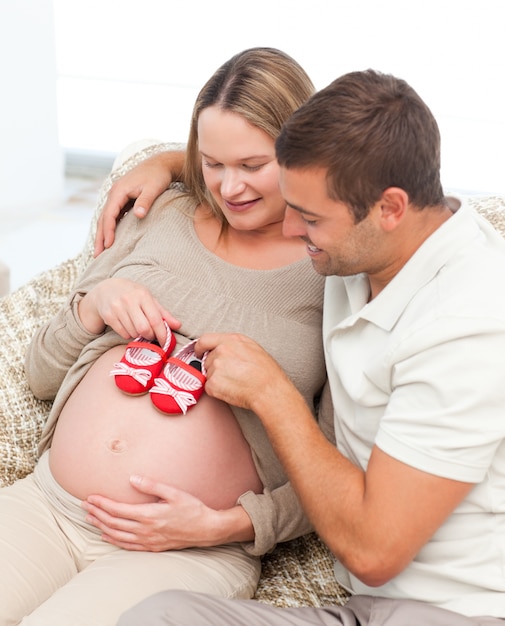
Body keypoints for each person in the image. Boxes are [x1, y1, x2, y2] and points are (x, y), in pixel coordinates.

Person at [116, 70, 505, 624]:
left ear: (390, 208)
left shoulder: (468, 327)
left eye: (311, 217)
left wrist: (272, 394)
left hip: (457, 612)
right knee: (157, 617)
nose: (291, 229)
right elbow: (253, 158)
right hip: (361, 609)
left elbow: (375, 552)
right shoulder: (368, 242)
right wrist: (169, 163)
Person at [0, 48, 334, 626]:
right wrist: (94, 306)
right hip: (48, 508)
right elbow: (40, 373)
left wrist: (232, 525)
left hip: (182, 551)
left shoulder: (333, 276)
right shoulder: (159, 212)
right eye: (211, 164)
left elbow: (341, 471)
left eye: (252, 165)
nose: (230, 188)